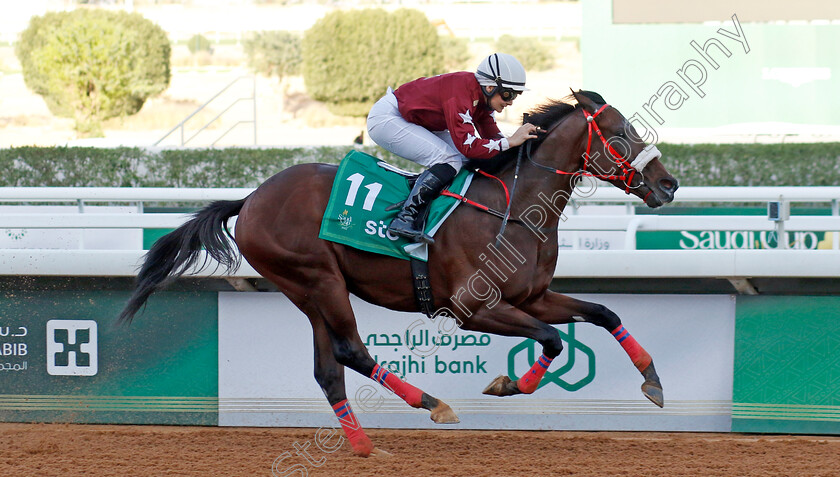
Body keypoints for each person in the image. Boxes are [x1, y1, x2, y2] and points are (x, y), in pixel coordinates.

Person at [367, 53, 541, 244]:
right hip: (388, 118)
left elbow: (491, 139)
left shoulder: (482, 98)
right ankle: (406, 217)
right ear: (490, 87)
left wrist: (523, 145)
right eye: (508, 93)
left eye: (516, 95)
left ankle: (442, 212)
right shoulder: (460, 92)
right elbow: (469, 146)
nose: (510, 101)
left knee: (467, 162)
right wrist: (509, 142)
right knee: (450, 160)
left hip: (416, 120)